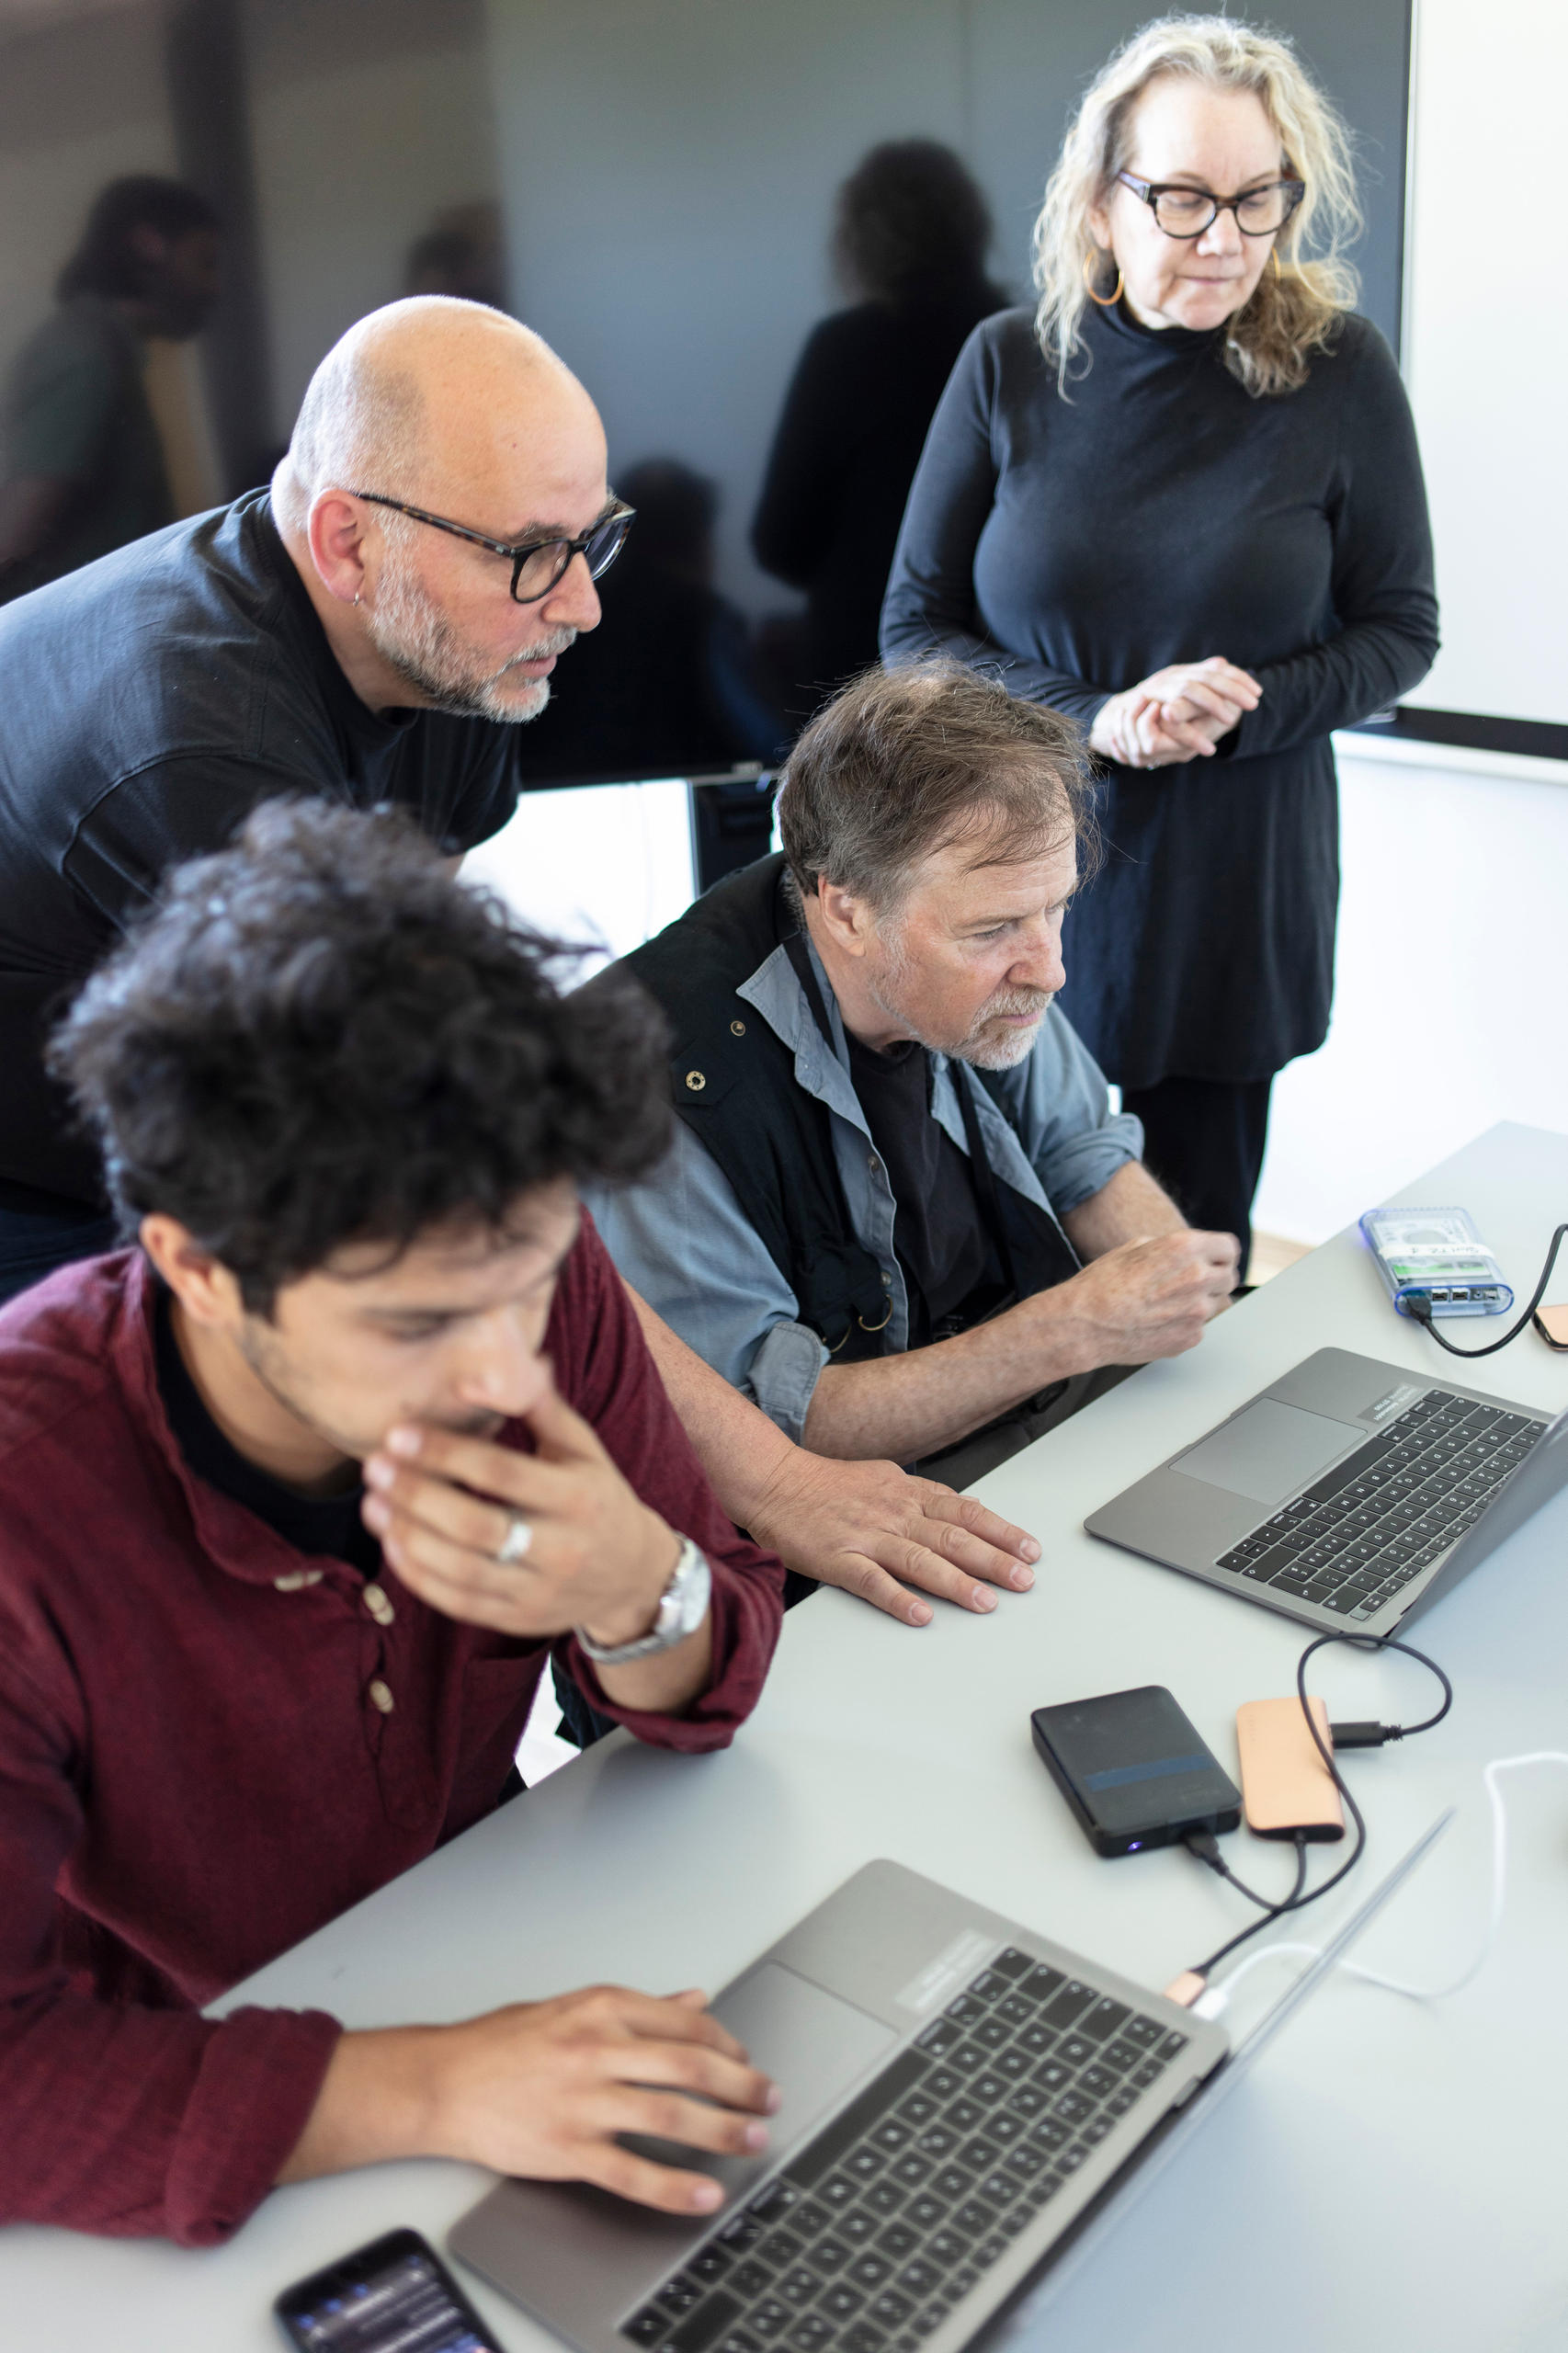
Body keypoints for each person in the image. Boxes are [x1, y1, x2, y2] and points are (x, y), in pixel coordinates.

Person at [0, 293, 1040, 1624]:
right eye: (535, 555)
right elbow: (450, 1165)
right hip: (29, 1164)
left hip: (162, 1057)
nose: (586, 603)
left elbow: (433, 1015)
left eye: (594, 537)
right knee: (159, 1565)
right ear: (346, 539)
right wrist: (775, 1478)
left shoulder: (445, 638)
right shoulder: (204, 749)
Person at [0, 799, 785, 2245]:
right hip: (194, 2102)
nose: (501, 1375)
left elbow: (714, 1664)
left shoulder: (519, 1266)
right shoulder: (27, 1504)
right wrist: (436, 2085)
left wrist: (639, 1585)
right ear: (199, 1265)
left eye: (528, 1285)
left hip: (498, 1960)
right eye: (415, 1325)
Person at [881, 16, 1439, 1271]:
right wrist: (1099, 718)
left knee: (1190, 1273)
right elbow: (912, 630)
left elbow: (1400, 630)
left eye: (1256, 199)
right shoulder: (1008, 365)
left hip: (1233, 882)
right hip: (1013, 871)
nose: (1224, 239)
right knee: (996, 1266)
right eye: (1182, 199)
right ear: (1099, 201)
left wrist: (1240, 707)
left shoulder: (1338, 372)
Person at [585, 663, 1238, 1491]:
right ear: (848, 911)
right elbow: (769, 1430)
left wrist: (1169, 1286)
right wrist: (1069, 1330)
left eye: (1058, 907)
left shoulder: (988, 967)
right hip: (869, 1495)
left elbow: (1083, 1156)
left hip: (1034, 1406)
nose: (1051, 971)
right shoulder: (651, 1086)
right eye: (995, 929)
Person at [752, 140, 1006, 718]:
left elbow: (779, 542)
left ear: (860, 238)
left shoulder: (846, 349)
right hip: (1005, 682)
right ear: (972, 226)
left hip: (862, 686)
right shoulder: (1024, 342)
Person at [0, 176, 221, 603]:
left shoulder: (106, 349)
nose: (214, 287)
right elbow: (15, 532)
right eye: (205, 262)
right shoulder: (82, 350)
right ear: (149, 244)